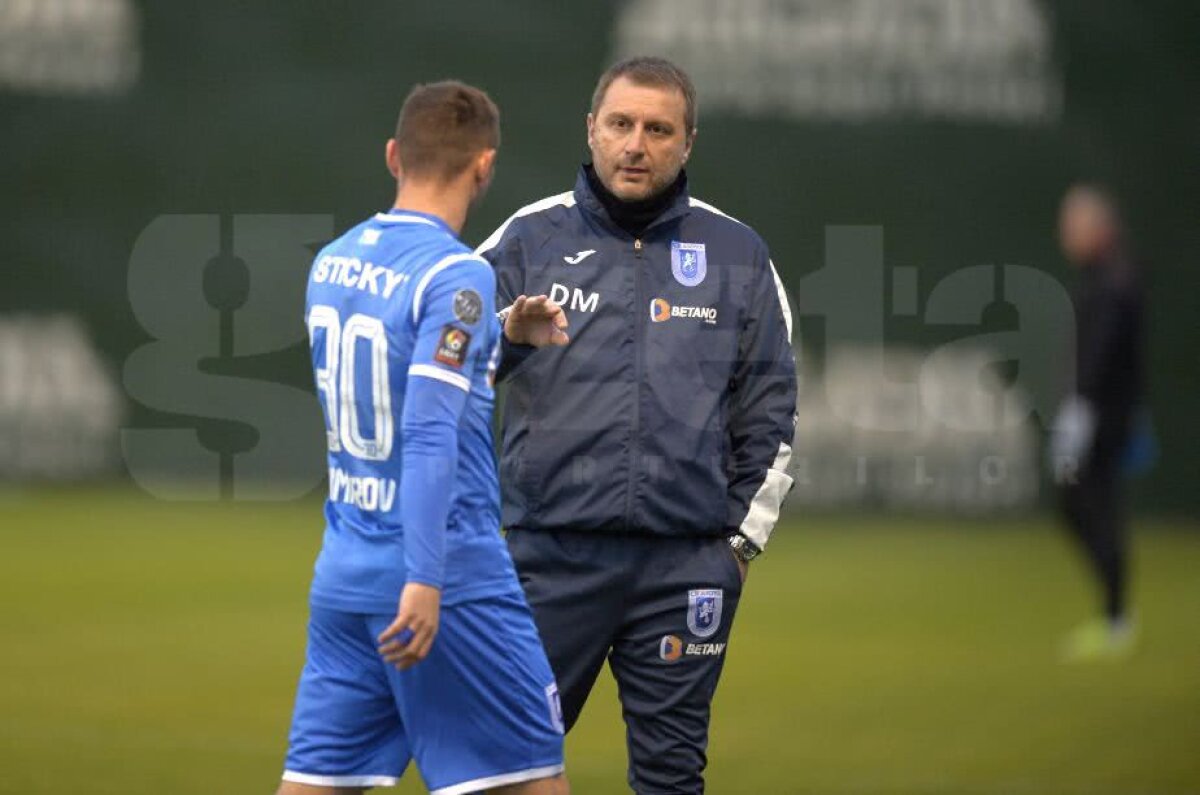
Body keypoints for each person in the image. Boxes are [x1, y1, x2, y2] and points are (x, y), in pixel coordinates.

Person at [478, 57, 798, 793]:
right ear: (591, 129)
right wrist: (504, 336)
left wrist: (738, 546)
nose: (636, 143)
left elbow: (773, 409)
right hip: (549, 559)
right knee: (502, 765)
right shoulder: (526, 239)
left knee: (671, 777)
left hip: (684, 570)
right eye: (621, 124)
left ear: (688, 144)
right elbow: (443, 362)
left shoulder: (738, 253)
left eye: (659, 129)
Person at [278, 81, 570, 795]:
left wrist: (502, 340)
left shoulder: (333, 262)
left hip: (345, 576)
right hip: (444, 580)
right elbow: (429, 428)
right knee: (535, 782)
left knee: (315, 786)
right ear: (484, 167)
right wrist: (427, 578)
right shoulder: (458, 274)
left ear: (392, 155)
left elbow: (408, 382)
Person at [1051, 184, 1147, 662]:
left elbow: (1102, 356)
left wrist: (1080, 411)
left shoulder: (1113, 283)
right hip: (1100, 416)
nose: (1066, 232)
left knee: (1093, 505)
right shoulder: (1102, 279)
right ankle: (1115, 614)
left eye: (1075, 222)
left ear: (1101, 227)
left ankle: (1116, 617)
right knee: (1079, 503)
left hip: (1102, 420)